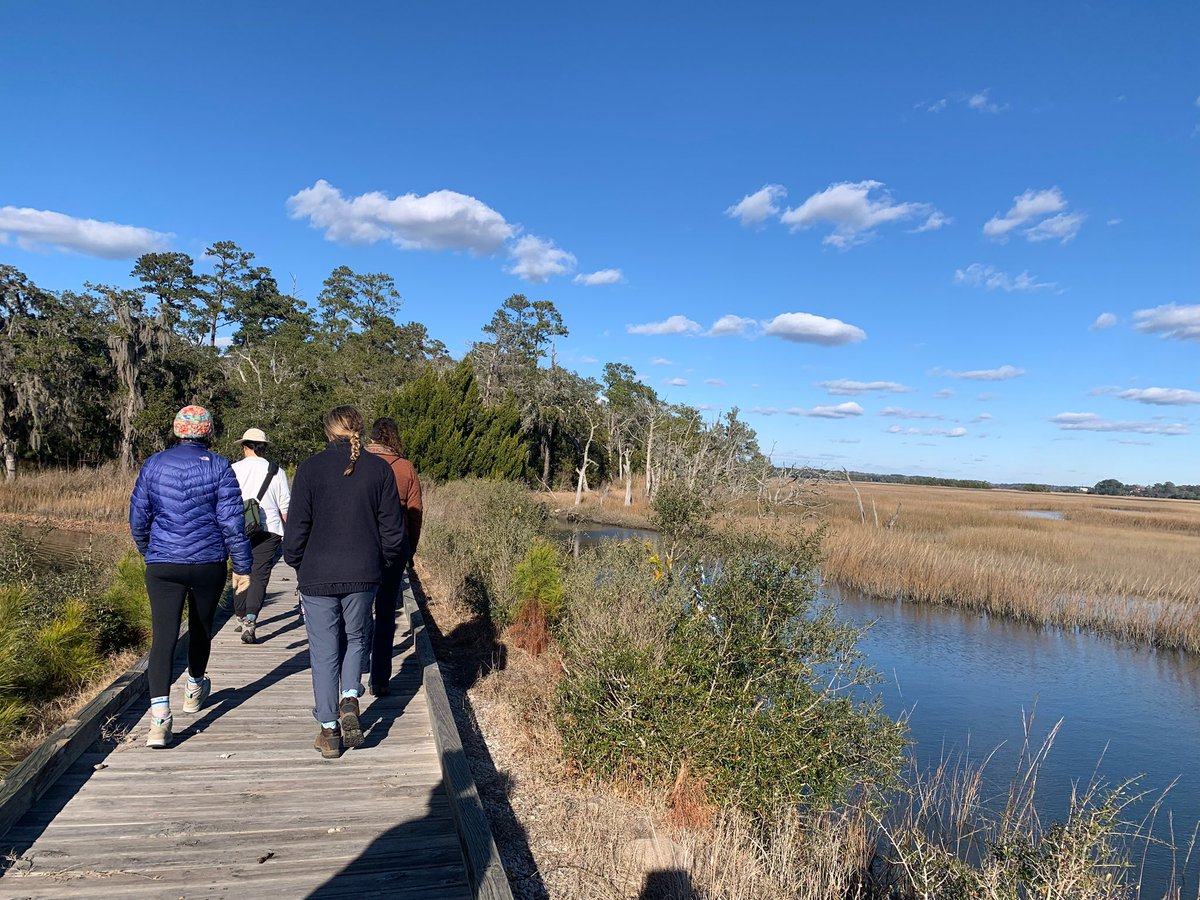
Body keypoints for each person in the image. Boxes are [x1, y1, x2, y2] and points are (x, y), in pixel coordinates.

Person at [283, 406, 405, 759]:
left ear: (328, 432)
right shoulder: (380, 470)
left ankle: (329, 731)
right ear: (359, 430)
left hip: (317, 574)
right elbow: (393, 533)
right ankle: (350, 696)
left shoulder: (309, 468)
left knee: (323, 652)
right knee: (357, 637)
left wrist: (295, 561)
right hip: (363, 573)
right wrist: (380, 564)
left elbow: (297, 529)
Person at [129, 405, 252, 749]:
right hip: (207, 562)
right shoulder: (219, 466)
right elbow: (232, 522)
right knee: (201, 627)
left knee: (163, 638)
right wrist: (242, 566)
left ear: (177, 430)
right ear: (208, 433)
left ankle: (159, 721)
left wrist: (149, 549)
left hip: (163, 563)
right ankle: (195, 687)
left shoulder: (154, 464)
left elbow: (138, 515)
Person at [365, 417, 423, 697]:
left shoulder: (357, 462)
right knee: (386, 611)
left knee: (358, 608)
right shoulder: (405, 468)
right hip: (394, 545)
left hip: (358, 544)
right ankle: (380, 678)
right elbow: (415, 514)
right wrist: (410, 550)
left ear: (372, 437)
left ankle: (355, 666)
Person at [230, 427, 290, 644]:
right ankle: (251, 619)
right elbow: (285, 507)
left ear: (245, 446)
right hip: (269, 529)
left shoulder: (233, 469)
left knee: (240, 571)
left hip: (237, 528)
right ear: (263, 448)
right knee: (260, 575)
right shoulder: (277, 471)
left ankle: (239, 615)